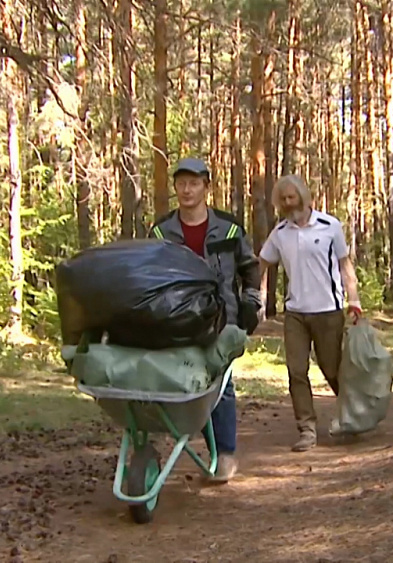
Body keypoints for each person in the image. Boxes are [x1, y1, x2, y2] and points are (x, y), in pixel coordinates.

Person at [148, 156, 262, 483]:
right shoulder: (160, 231)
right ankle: (158, 444)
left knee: (220, 384)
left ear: (206, 187)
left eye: (194, 183)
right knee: (171, 379)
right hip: (176, 319)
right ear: (175, 188)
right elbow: (150, 273)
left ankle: (224, 455)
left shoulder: (228, 227)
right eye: (181, 183)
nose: (187, 190)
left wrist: (251, 303)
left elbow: (249, 267)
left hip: (222, 316)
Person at [257, 174, 363, 452]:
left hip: (328, 310)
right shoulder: (280, 233)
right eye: (283, 199)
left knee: (332, 368)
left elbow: (345, 265)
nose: (288, 203)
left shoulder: (330, 226)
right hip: (295, 313)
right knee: (296, 371)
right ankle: (307, 429)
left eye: (291, 197)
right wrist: (254, 293)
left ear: (303, 196)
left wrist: (354, 299)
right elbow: (262, 263)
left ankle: (355, 415)